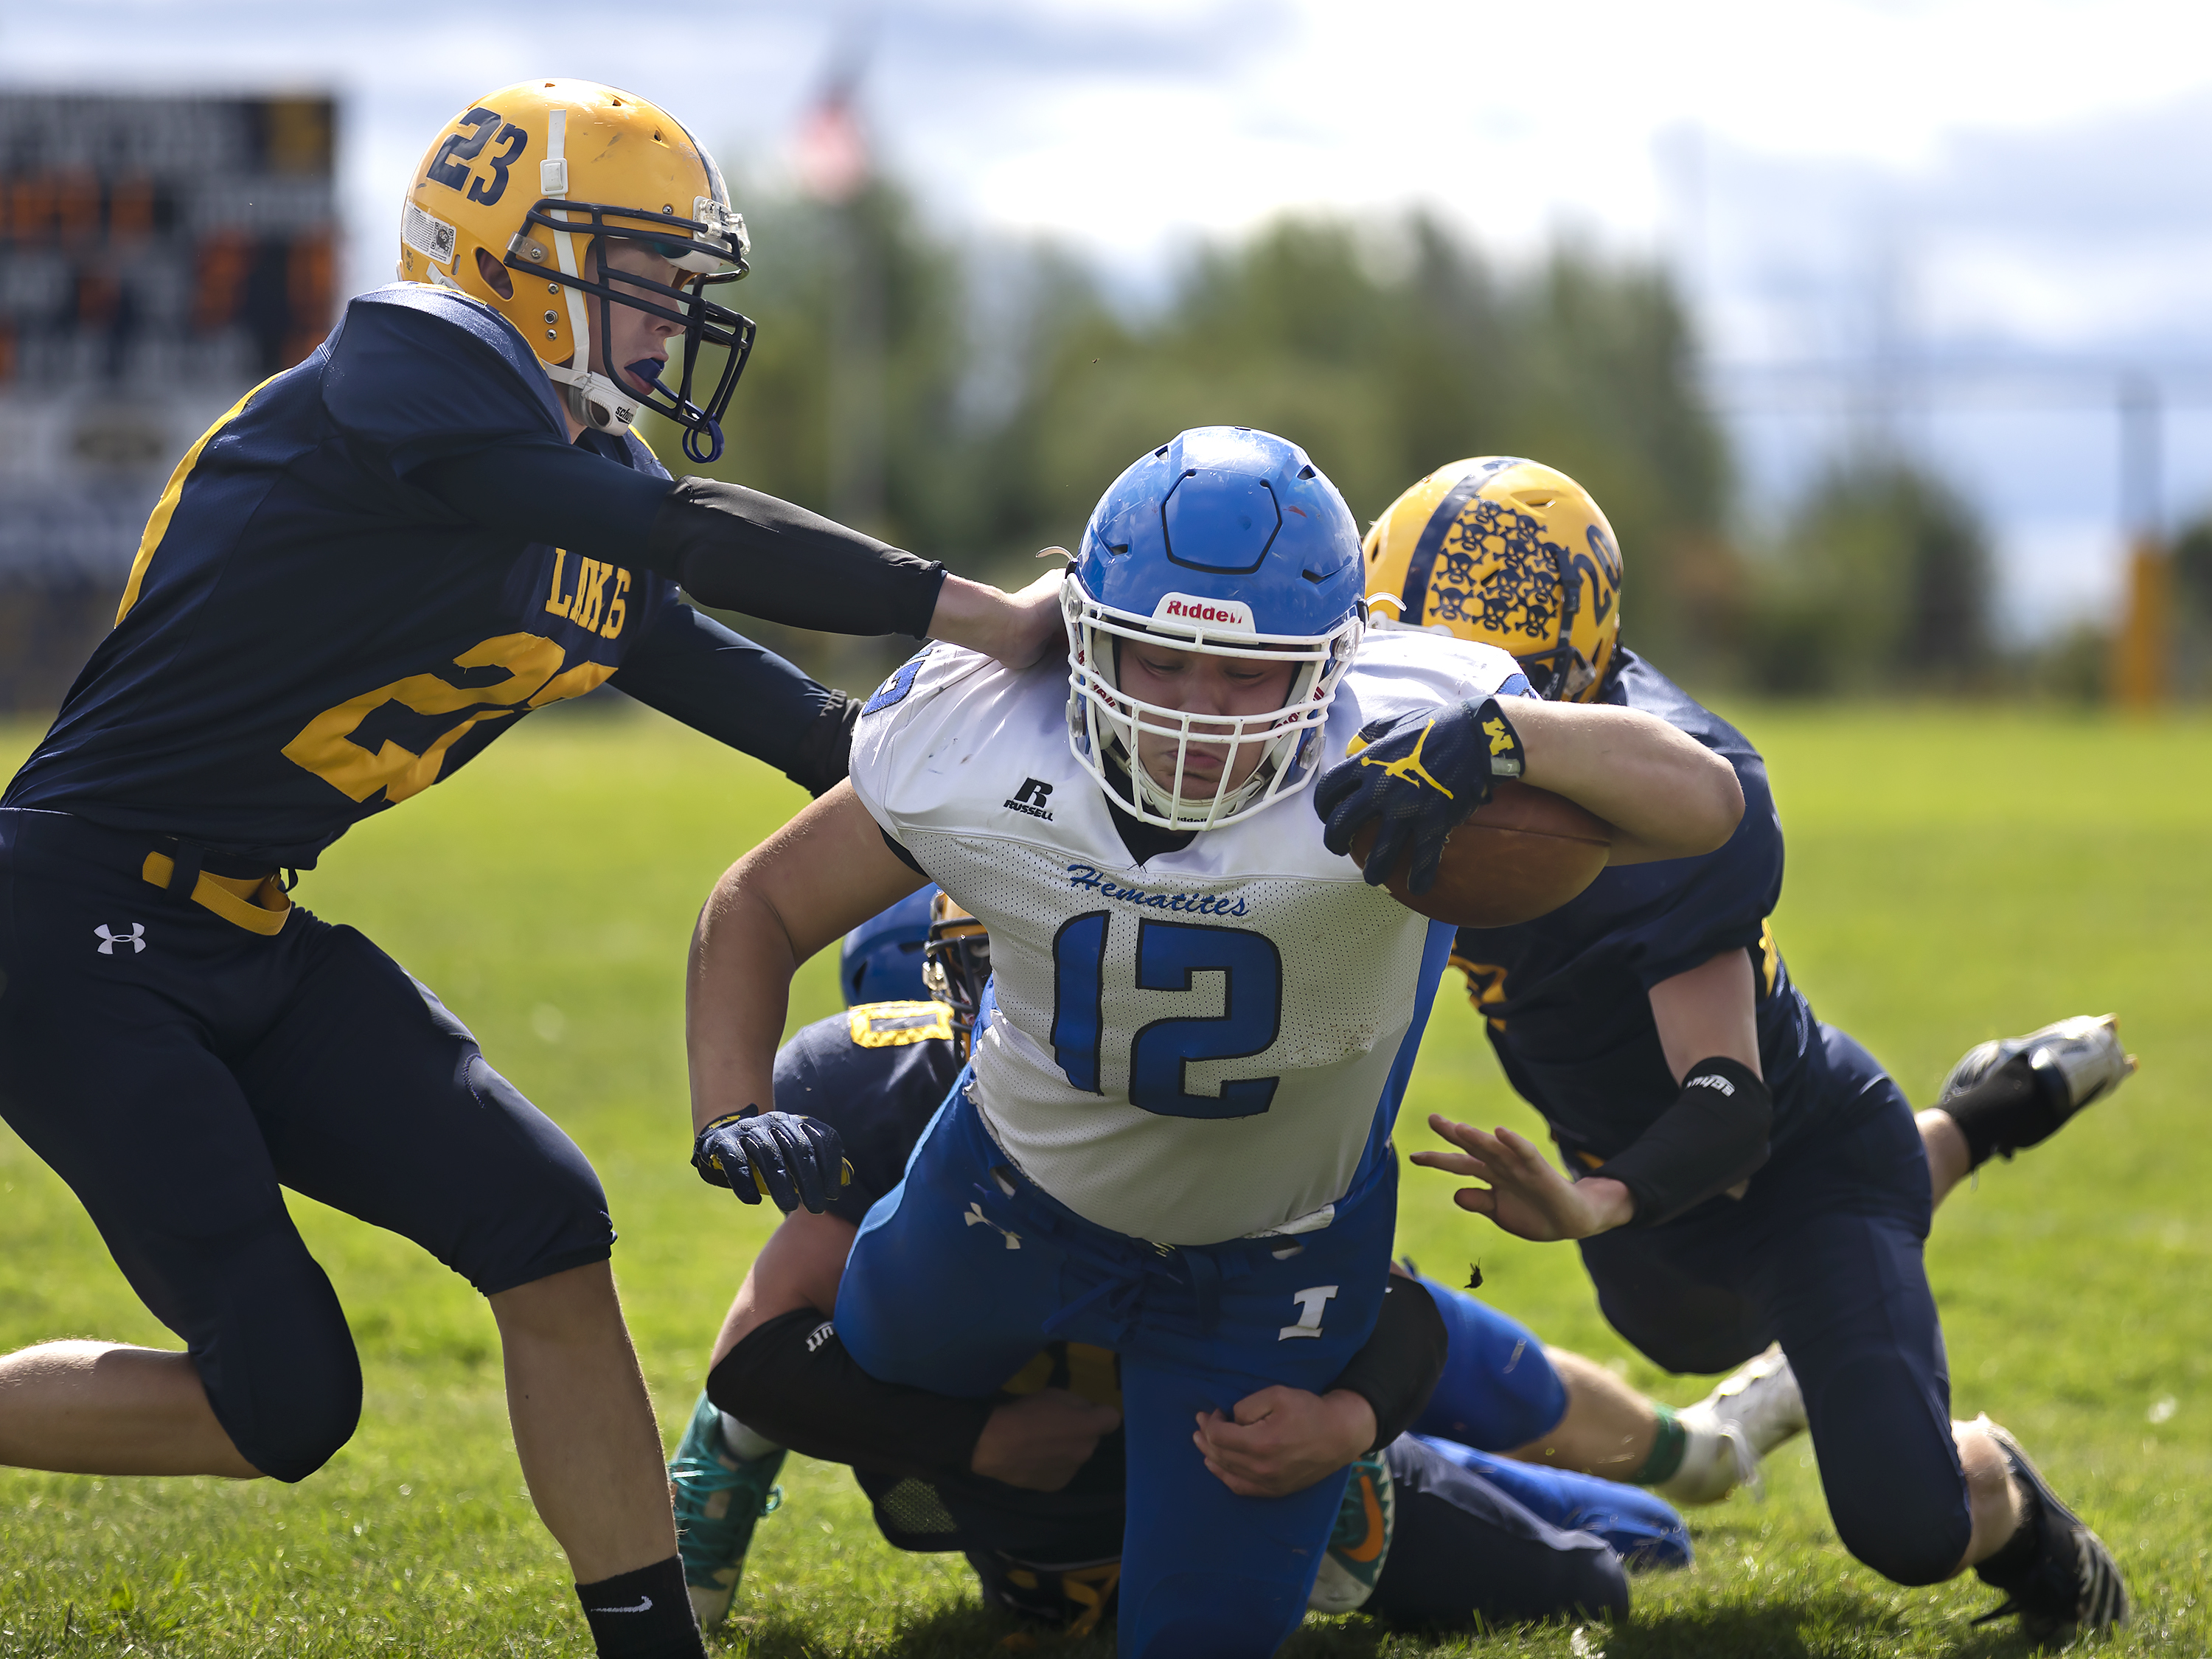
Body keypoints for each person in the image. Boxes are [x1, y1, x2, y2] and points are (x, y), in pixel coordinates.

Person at [0, 79, 1060, 1659]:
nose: (676, 308)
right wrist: (994, 618)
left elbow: (819, 735)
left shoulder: (559, 482)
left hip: (247, 928)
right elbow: (699, 535)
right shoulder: (399, 386)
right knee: (283, 1403)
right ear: (512, 257)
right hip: (68, 922)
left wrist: (1063, 780)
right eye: (641, 267)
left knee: (544, 1220)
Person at [681, 425, 1744, 1658]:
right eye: (1161, 658)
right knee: (870, 1352)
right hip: (1008, 1195)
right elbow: (757, 902)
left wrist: (1509, 739)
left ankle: (1538, 1479)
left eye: (1248, 676)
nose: (1197, 708)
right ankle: (732, 1481)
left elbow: (1705, 802)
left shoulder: (1410, 720)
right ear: (1088, 637)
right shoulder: (980, 733)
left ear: (1339, 662)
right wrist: (727, 1100)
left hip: (1268, 1258)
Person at [1364, 456, 2137, 1644]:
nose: (1428, 709)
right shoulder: (1393, 725)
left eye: (1474, 683)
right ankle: (1978, 1119)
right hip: (1641, 1174)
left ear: (1559, 673)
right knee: (1684, 1333)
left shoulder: (1665, 791)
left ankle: (2018, 1500)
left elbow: (1726, 1105)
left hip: (1795, 1153)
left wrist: (1594, 1200)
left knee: (1908, 1525)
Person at [670, 892, 1691, 1640]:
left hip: (1236, 1433)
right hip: (1050, 1499)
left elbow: (1398, 1307)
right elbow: (755, 1369)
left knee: (1600, 1574)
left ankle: (1658, 1459)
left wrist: (1342, 1424)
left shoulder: (1197, 1096)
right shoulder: (884, 1088)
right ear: (957, 981)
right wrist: (973, 1439)